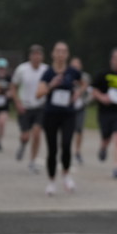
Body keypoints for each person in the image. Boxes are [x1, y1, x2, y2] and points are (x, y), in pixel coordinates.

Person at [36, 42, 85, 195]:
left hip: (68, 114)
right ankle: (51, 181)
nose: (60, 54)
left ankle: (66, 174)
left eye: (63, 51)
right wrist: (51, 85)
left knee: (66, 144)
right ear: (53, 54)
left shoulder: (73, 72)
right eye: (58, 51)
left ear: (67, 54)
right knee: (52, 149)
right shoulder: (48, 73)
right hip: (51, 114)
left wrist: (78, 93)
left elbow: (84, 84)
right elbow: (39, 94)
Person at [9, 45, 48, 173]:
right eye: (34, 54)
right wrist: (17, 102)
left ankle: (32, 161)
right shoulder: (22, 69)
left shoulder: (46, 70)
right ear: (30, 56)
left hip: (40, 106)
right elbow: (13, 86)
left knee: (36, 133)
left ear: (42, 57)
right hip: (25, 107)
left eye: (39, 54)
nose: (36, 57)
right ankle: (23, 144)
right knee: (25, 136)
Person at [92, 48, 117, 179]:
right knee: (106, 138)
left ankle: (116, 168)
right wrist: (102, 97)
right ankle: (103, 147)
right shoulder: (103, 74)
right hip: (105, 112)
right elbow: (93, 90)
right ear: (112, 60)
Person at [69, 56, 92, 165]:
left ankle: (77, 152)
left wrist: (85, 102)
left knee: (79, 129)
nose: (75, 68)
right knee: (67, 129)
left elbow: (90, 92)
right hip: (68, 107)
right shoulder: (67, 76)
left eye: (77, 66)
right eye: (73, 66)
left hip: (80, 107)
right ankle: (67, 150)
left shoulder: (85, 77)